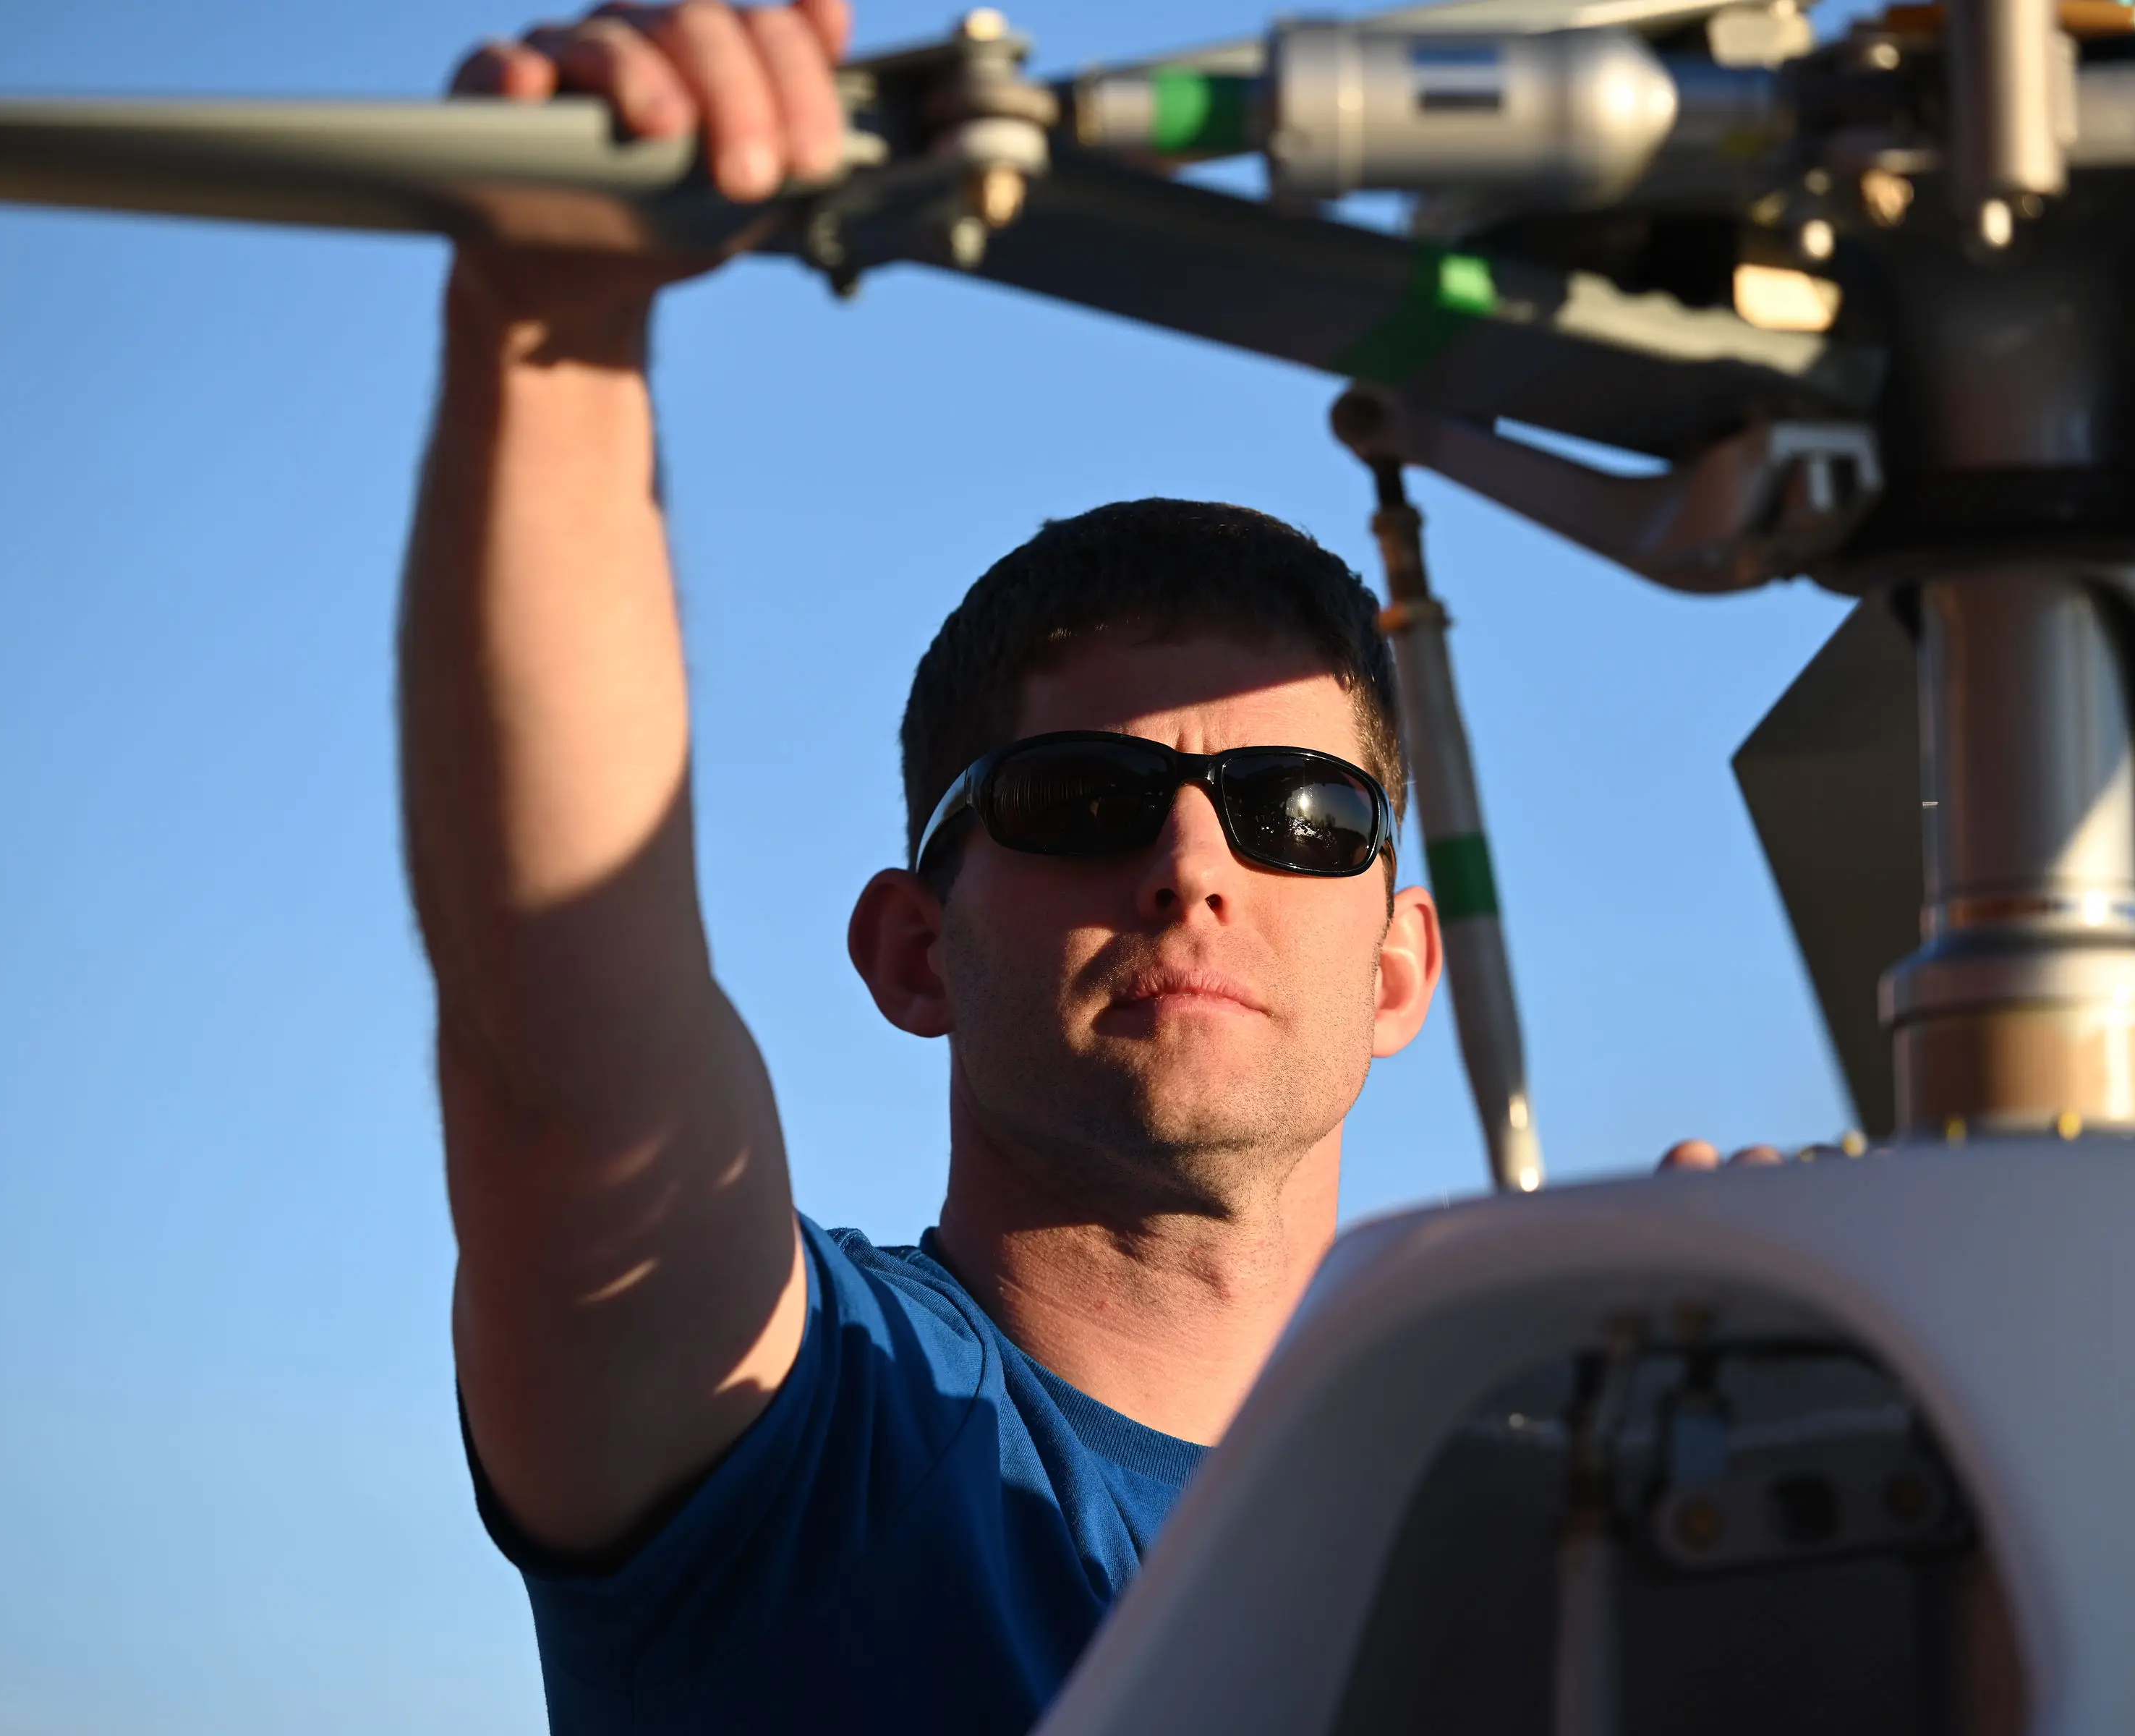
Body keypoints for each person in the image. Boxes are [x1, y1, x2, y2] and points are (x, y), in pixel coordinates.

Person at [406, 5, 1446, 1729]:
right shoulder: (801, 1434)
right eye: (1076, 798)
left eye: (1299, 814)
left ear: (1403, 962)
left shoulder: (1571, 1510)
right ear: (912, 950)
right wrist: (552, 335)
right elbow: (566, 1079)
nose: (1195, 859)